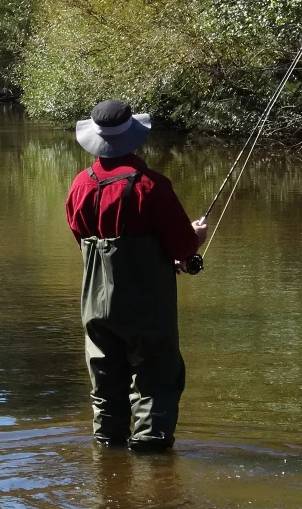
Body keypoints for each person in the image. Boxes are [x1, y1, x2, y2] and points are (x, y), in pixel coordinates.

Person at [65, 99, 207, 452]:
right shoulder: (152, 186)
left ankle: (108, 465)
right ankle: (154, 469)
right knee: (155, 379)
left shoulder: (80, 186)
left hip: (95, 305)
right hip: (146, 305)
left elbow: (84, 242)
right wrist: (195, 238)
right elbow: (182, 247)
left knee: (105, 383)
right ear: (133, 138)